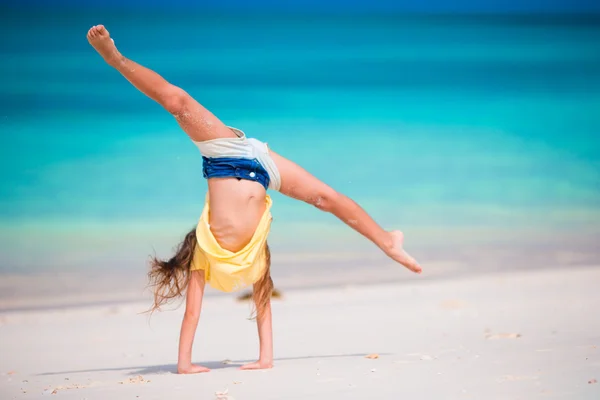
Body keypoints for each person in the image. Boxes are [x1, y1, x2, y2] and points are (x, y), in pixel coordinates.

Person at [86, 25, 422, 374]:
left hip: (224, 155)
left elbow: (193, 312)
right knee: (325, 198)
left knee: (178, 103)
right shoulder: (254, 256)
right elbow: (262, 304)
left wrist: (184, 365)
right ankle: (387, 241)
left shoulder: (203, 251)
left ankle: (116, 58)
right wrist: (265, 360)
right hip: (263, 168)